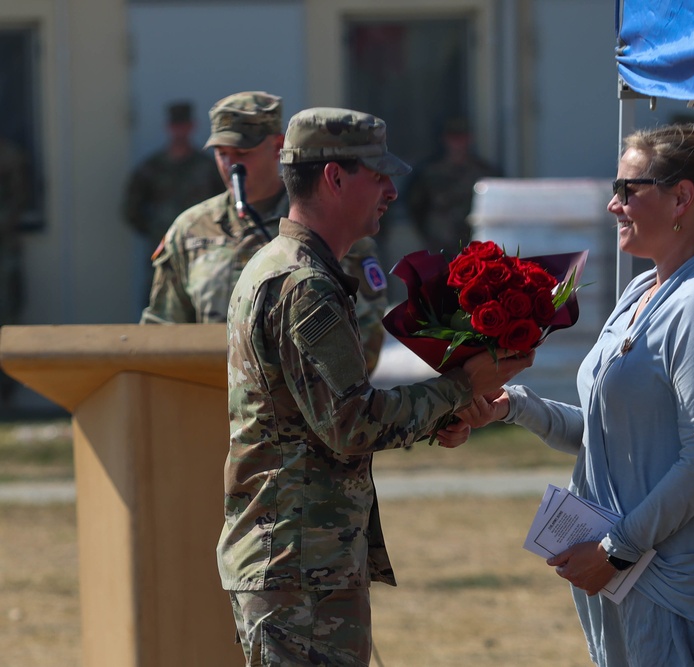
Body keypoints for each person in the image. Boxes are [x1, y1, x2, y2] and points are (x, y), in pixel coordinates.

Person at [217, 107, 534, 666]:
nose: (391, 189)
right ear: (334, 177)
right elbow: (351, 424)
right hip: (298, 566)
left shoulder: (291, 267)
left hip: (303, 560)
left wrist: (447, 414)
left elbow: (318, 417)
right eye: (378, 174)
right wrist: (462, 386)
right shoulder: (304, 285)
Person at [458, 124, 694, 666]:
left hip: (679, 590)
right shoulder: (640, 289)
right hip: (626, 579)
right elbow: (609, 431)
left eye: (628, 189)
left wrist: (614, 550)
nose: (613, 205)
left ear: (682, 197)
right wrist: (515, 406)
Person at [138, 91, 389, 372]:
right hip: (204, 402)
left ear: (277, 146)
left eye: (242, 153)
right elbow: (163, 332)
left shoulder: (324, 222)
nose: (231, 165)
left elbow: (366, 329)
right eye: (222, 153)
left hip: (302, 406)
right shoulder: (190, 229)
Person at [122, 100, 224, 271]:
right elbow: (131, 208)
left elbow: (223, 203)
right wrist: (154, 230)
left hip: (200, 250)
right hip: (163, 248)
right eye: (176, 126)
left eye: (184, 125)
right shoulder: (152, 167)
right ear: (168, 127)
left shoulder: (206, 167)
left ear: (192, 126)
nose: (180, 131)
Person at [405, 116, 499, 254]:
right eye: (453, 137)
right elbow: (416, 206)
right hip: (439, 245)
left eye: (462, 136)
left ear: (469, 138)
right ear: (445, 139)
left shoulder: (485, 173)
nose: (458, 142)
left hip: (475, 246)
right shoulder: (428, 172)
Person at [0, 134, 29, 407]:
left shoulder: (8, 156)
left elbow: (19, 198)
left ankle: (6, 392)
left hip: (4, 247)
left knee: (7, 314)